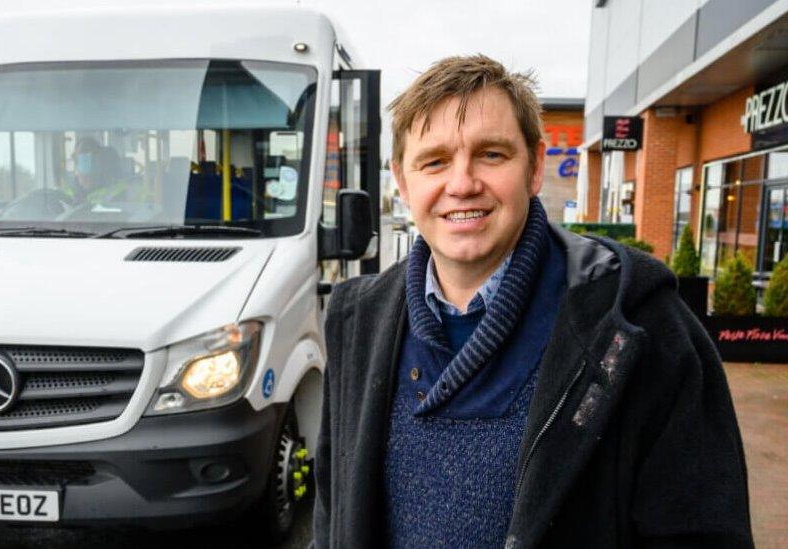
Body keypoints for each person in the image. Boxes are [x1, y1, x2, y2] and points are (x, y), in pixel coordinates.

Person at [313, 55, 752, 548]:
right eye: (434, 161)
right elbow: (333, 512)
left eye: (492, 155)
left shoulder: (640, 325)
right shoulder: (356, 322)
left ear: (536, 166)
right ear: (402, 179)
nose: (461, 184)